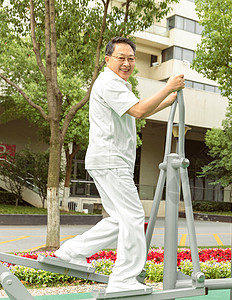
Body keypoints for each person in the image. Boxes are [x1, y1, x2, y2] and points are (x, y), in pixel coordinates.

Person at [54, 37, 185, 293]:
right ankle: (124, 278)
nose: (126, 63)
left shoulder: (117, 84)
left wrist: (166, 101)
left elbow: (140, 110)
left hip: (108, 160)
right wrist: (167, 88)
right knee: (134, 217)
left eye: (131, 59)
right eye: (121, 58)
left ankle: (70, 252)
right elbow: (137, 111)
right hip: (111, 160)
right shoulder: (110, 83)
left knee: (119, 219)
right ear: (108, 60)